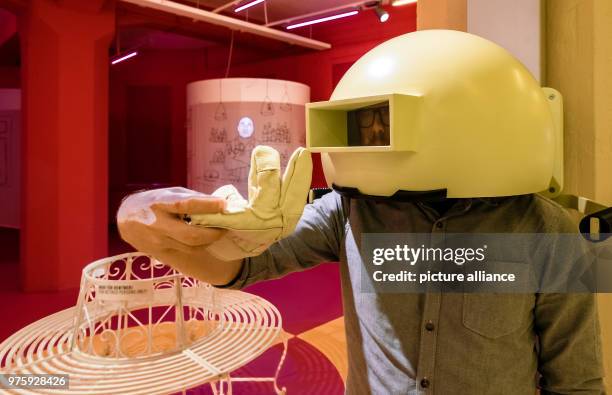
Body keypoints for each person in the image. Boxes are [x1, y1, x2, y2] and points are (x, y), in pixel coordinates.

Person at [118, 30, 605, 394]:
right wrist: (141, 217)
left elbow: (575, 378)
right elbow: (240, 266)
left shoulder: (548, 232)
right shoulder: (350, 212)